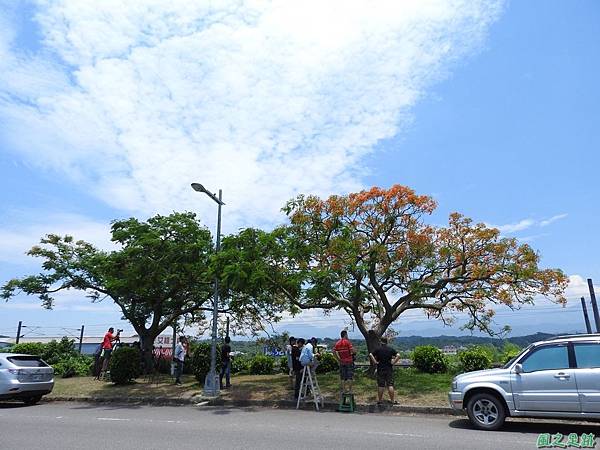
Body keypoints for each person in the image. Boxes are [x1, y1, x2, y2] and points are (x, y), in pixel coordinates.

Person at [369, 337, 401, 405]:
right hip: (389, 369)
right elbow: (398, 355)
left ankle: (380, 400)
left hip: (380, 369)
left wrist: (375, 362)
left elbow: (370, 354)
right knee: (390, 385)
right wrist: (393, 363)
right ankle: (392, 401)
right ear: (387, 342)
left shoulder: (378, 349)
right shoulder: (390, 349)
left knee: (381, 385)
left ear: (381, 341)